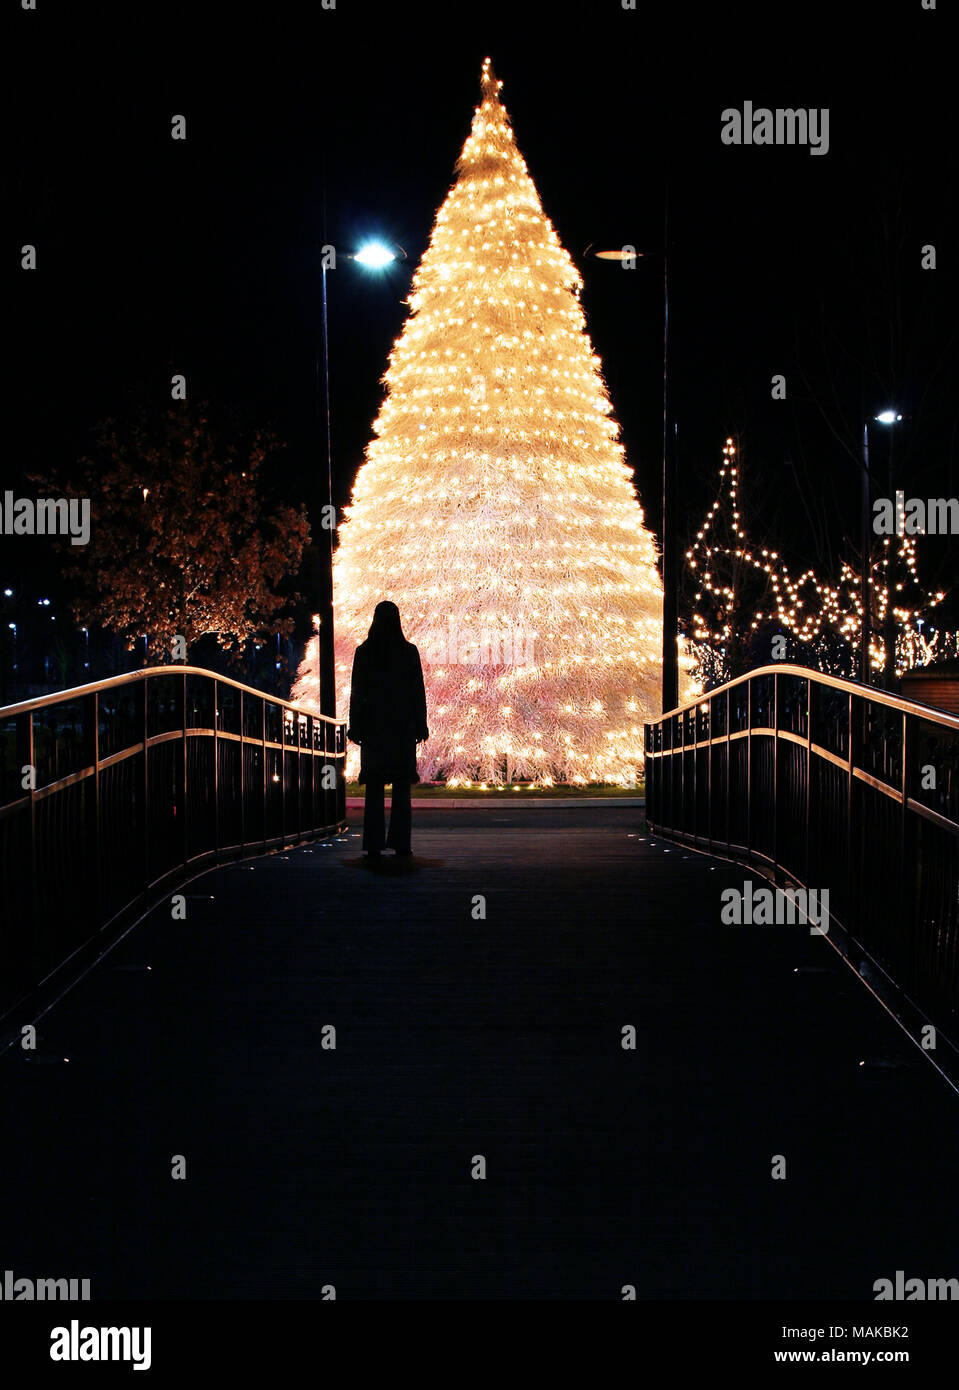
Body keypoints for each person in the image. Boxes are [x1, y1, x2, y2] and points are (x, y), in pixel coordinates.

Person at [347, 601, 429, 859]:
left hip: (374, 728)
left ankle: (373, 844)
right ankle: (401, 843)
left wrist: (356, 726)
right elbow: (417, 691)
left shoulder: (364, 652)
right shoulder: (408, 652)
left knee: (374, 787)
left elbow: (357, 693)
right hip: (401, 727)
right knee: (402, 787)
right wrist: (420, 723)